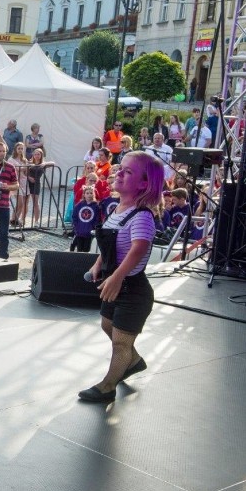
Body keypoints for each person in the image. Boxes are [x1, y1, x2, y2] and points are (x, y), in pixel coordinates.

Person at [79, 151, 164, 403]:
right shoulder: (117, 209)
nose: (119, 173)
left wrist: (117, 277)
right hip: (114, 282)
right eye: (120, 168)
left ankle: (108, 386)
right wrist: (98, 264)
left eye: (128, 172)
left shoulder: (142, 215)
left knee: (120, 342)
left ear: (143, 184)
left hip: (133, 291)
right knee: (107, 324)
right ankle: (134, 361)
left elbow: (138, 249)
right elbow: (110, 244)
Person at [71, 186, 100, 252]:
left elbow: (97, 219)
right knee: (79, 249)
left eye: (91, 193)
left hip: (89, 233)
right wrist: (76, 227)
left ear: (93, 194)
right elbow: (74, 217)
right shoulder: (79, 205)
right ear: (84, 195)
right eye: (87, 193)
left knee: (86, 250)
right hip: (79, 232)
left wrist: (93, 228)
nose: (89, 195)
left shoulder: (96, 206)